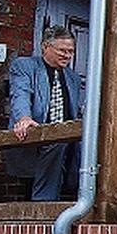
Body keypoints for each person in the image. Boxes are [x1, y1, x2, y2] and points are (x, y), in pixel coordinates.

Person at [7, 25, 83, 201]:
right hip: (36, 142)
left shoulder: (73, 78)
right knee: (55, 143)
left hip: (67, 147)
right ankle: (44, 204)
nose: (67, 55)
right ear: (45, 47)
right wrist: (24, 118)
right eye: (62, 50)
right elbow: (20, 94)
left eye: (71, 51)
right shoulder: (25, 66)